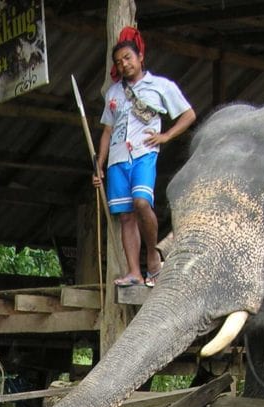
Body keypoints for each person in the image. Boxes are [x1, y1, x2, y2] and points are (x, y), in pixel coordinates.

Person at [92, 29, 195, 288]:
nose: (124, 64)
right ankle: (134, 272)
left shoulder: (160, 86)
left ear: (139, 57)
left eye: (128, 58)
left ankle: (152, 257)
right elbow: (107, 130)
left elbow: (188, 115)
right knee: (125, 215)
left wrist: (166, 136)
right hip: (117, 159)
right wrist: (99, 163)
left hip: (143, 153)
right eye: (118, 62)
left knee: (141, 202)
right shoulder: (113, 93)